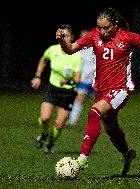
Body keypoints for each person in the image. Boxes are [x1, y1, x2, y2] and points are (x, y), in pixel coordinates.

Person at [56, 7, 140, 176]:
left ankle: (82, 159)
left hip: (120, 90)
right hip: (101, 90)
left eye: (106, 28)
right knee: (111, 128)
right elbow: (70, 49)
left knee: (94, 112)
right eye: (99, 27)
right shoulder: (94, 35)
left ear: (115, 25)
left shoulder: (127, 37)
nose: (102, 31)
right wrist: (61, 41)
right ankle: (126, 154)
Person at [31, 24, 82, 154]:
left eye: (66, 36)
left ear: (72, 38)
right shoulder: (52, 50)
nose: (63, 38)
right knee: (44, 118)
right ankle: (43, 134)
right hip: (52, 89)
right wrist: (37, 76)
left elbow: (77, 79)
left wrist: (67, 81)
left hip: (68, 92)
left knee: (59, 124)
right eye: (61, 36)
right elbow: (43, 60)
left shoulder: (76, 55)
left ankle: (50, 144)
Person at [68, 29, 96, 128]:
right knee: (79, 98)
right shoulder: (78, 49)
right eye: (82, 36)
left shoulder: (96, 49)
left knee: (101, 102)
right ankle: (72, 120)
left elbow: (100, 63)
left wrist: (92, 71)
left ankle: (109, 121)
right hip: (83, 79)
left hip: (95, 80)